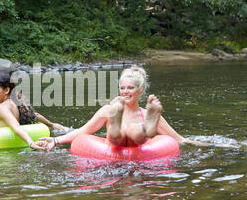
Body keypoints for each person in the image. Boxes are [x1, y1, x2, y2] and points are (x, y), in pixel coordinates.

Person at [37, 65, 211, 151]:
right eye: (122, 88)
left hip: (138, 147)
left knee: (135, 132)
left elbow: (179, 139)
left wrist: (211, 145)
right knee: (118, 135)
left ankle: (147, 128)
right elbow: (84, 131)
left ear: (140, 90)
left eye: (130, 88)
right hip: (115, 146)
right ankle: (117, 121)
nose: (125, 92)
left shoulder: (145, 113)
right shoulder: (107, 109)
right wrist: (55, 140)